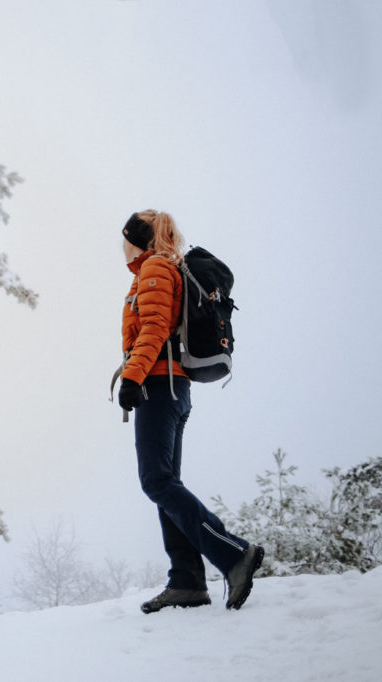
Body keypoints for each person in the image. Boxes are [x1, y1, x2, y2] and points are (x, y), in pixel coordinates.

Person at [116, 210, 263, 613]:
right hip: (171, 386)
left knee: (156, 482)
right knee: (167, 484)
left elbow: (155, 325)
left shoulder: (155, 268)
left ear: (139, 239)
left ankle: (234, 555)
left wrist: (133, 376)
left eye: (126, 237)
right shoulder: (160, 268)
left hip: (158, 384)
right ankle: (187, 583)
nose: (121, 245)